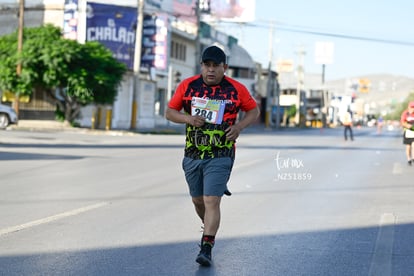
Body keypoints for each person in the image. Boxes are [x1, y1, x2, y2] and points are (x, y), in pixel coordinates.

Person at [165, 45, 260, 266]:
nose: (211, 70)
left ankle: (207, 246)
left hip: (221, 153)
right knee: (198, 200)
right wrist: (188, 119)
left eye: (216, 66)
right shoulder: (188, 86)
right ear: (201, 66)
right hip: (193, 153)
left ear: (224, 67)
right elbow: (170, 112)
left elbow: (253, 110)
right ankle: (208, 225)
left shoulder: (236, 89)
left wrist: (239, 127)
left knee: (211, 200)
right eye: (207, 65)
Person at [400, 101, 414, 165]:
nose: (413, 108)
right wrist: (407, 125)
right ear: (409, 107)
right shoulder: (405, 113)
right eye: (412, 107)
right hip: (408, 132)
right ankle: (409, 158)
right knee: (408, 146)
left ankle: (413, 157)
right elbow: (402, 122)